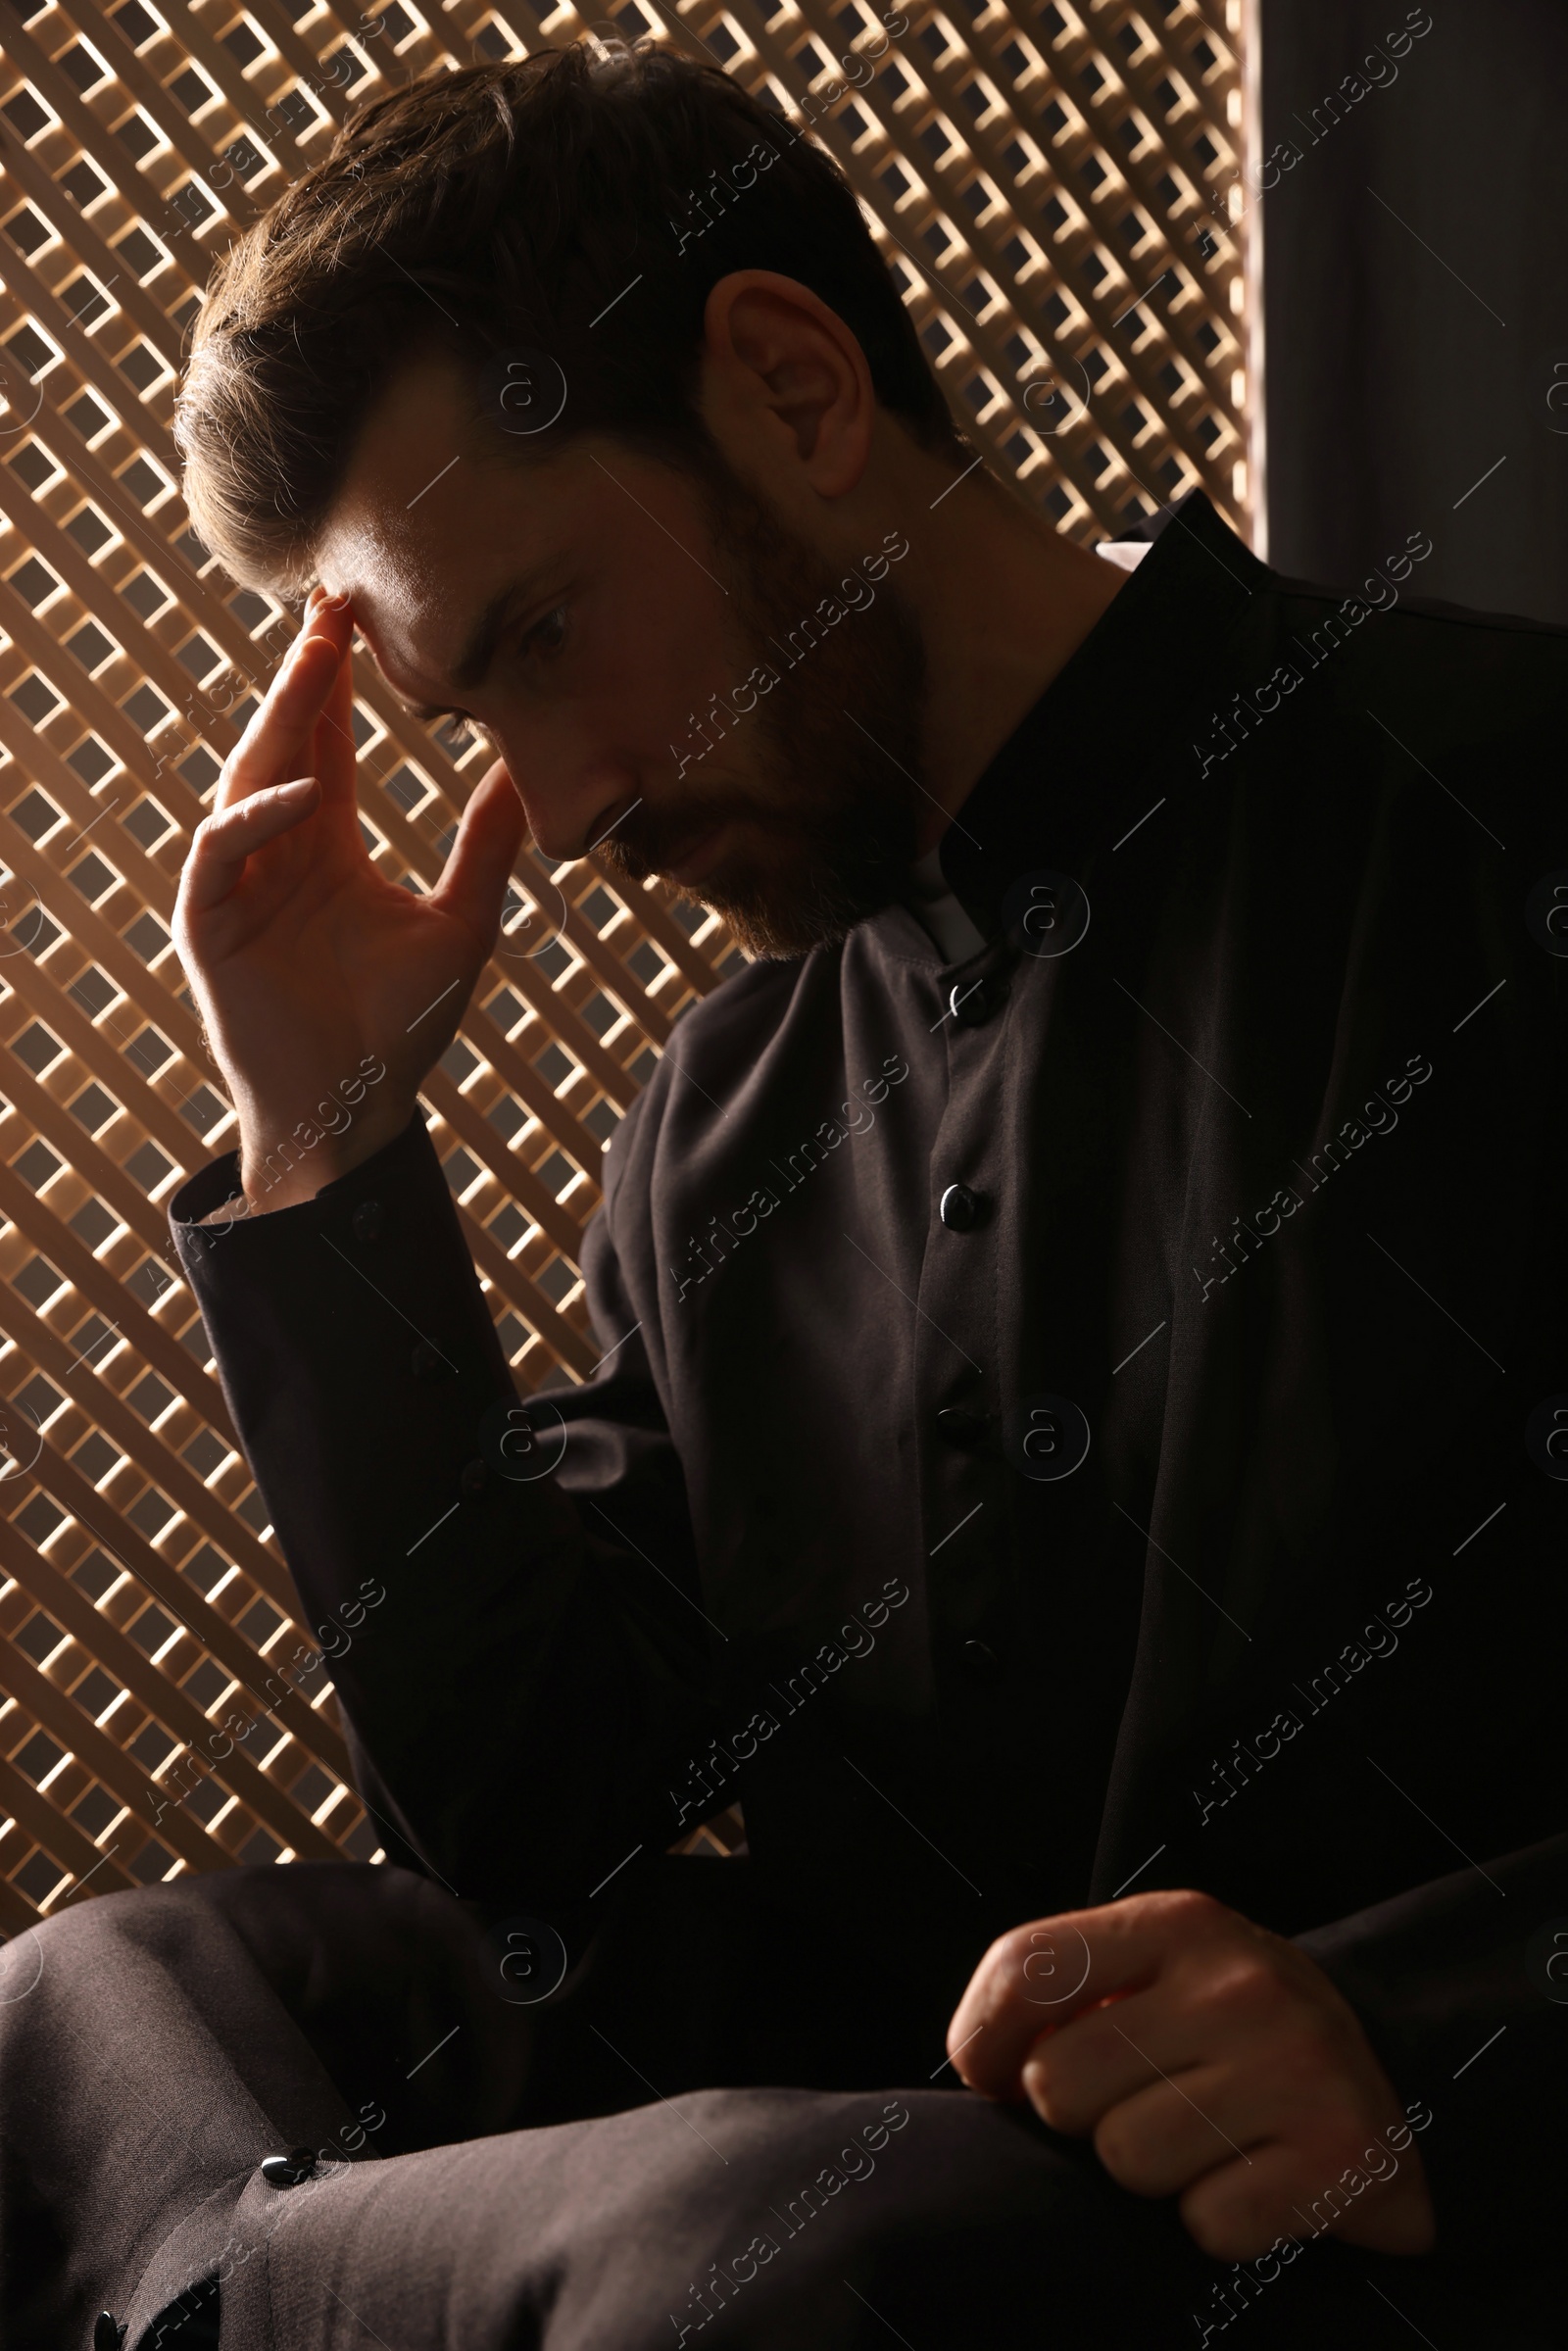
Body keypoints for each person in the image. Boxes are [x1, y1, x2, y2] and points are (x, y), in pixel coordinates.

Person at [11, 35, 1563, 2351]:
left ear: (792, 386)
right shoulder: (725, 1115)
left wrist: (1428, 2048)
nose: (549, 804)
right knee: (95, 1995)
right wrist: (321, 1134)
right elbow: (542, 1839)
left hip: (1208, 2255)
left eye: (539, 637)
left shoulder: (1509, 817)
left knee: (739, 2260)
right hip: (822, 2166)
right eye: (469, 717)